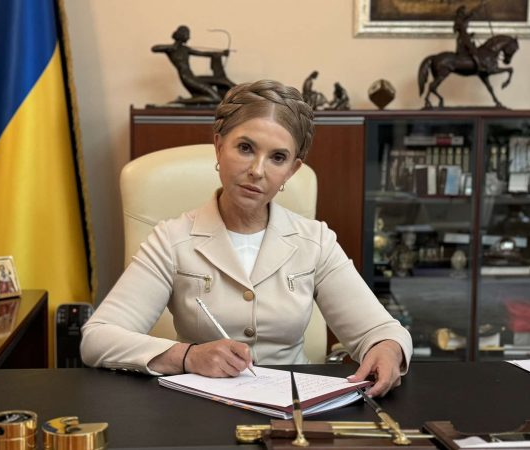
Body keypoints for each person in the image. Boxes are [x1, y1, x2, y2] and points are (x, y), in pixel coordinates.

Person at [81, 80, 412, 397]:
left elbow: (381, 330)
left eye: (278, 158)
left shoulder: (316, 241)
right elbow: (97, 338)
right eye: (245, 148)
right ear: (219, 146)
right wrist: (187, 356)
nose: (257, 170)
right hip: (201, 409)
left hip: (294, 410)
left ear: (292, 171)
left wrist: (387, 349)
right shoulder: (171, 239)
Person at [152, 25, 235, 104]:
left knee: (222, 81)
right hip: (187, 78)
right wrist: (172, 47)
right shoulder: (171, 49)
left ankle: (239, 92)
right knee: (216, 99)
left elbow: (203, 53)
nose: (188, 37)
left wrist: (222, 53)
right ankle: (181, 101)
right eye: (187, 34)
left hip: (193, 77)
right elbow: (154, 48)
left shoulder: (186, 49)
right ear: (181, 35)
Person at [453, 4, 483, 69]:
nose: (466, 11)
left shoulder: (460, 19)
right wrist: (471, 15)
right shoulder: (459, 19)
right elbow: (462, 27)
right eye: (465, 11)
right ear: (461, 12)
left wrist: (470, 35)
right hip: (463, 38)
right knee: (473, 50)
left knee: (472, 49)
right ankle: (479, 66)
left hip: (464, 36)